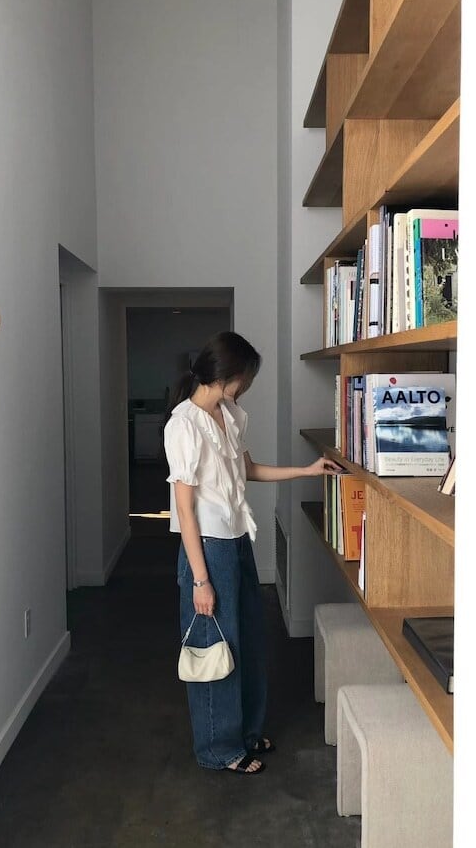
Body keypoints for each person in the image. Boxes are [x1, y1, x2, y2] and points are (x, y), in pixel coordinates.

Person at [163, 331, 337, 775]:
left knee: (249, 643)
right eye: (246, 377)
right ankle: (218, 748)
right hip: (207, 549)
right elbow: (184, 510)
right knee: (214, 648)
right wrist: (200, 580)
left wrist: (307, 470)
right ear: (227, 375)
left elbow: (249, 470)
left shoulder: (229, 414)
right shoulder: (183, 425)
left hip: (237, 539)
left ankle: (245, 731)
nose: (248, 385)